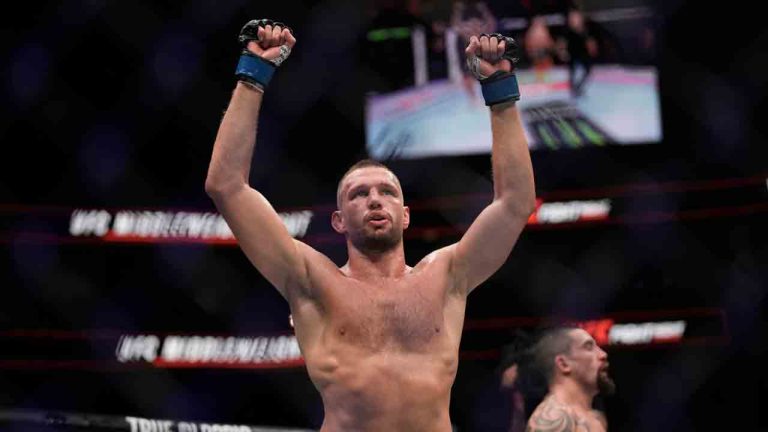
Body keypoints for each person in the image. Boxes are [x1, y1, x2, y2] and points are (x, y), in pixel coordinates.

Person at [205, 18, 536, 431]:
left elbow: (515, 203)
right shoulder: (310, 280)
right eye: (358, 194)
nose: (375, 199)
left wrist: (500, 90)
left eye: (387, 191)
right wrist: (253, 74)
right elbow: (226, 186)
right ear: (339, 221)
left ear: (406, 214)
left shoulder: (447, 275)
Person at [524, 326, 615, 432]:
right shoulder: (553, 419)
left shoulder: (595, 417)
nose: (603, 354)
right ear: (563, 364)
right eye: (589, 347)